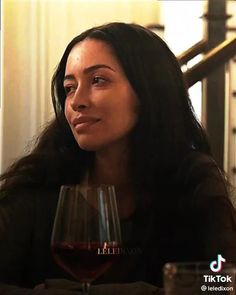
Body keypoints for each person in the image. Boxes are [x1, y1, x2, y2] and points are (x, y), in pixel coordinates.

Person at [0, 22, 236, 295]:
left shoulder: (191, 178)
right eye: (69, 88)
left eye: (98, 80)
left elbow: (222, 283)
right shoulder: (40, 181)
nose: (77, 101)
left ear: (148, 91)